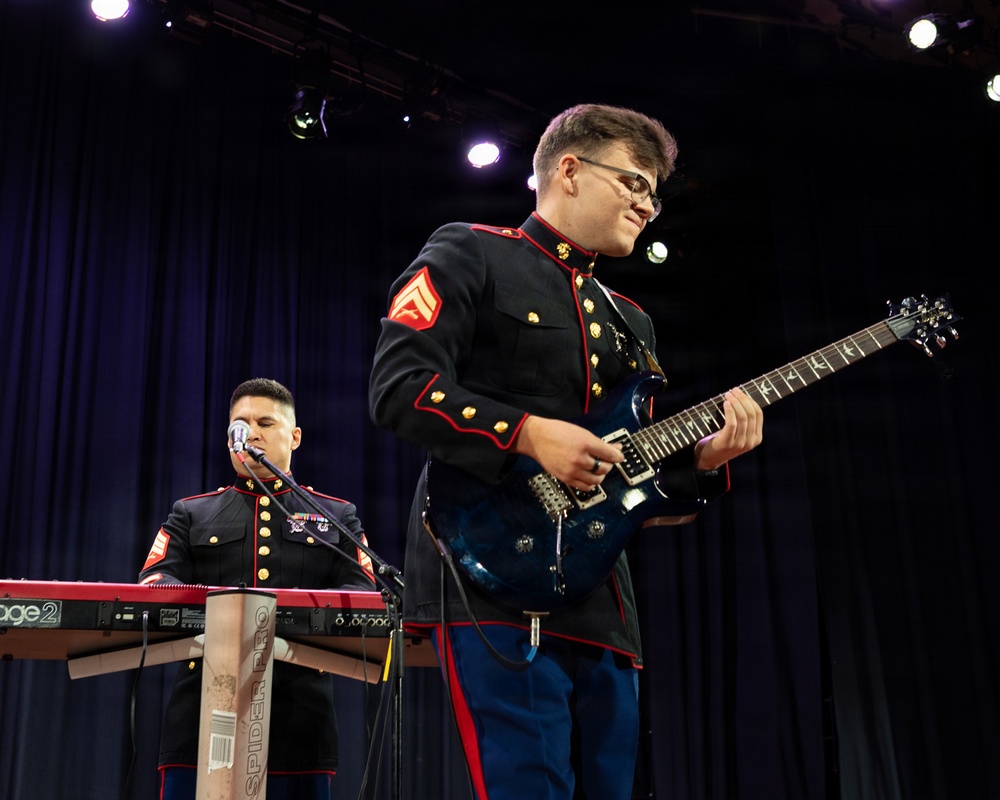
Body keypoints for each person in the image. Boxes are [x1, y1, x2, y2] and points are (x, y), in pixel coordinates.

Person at [368, 103, 764, 799]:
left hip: (603, 595)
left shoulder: (630, 318)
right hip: (487, 568)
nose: (649, 205)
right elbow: (398, 387)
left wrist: (699, 463)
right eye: (635, 183)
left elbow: (630, 475)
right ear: (570, 171)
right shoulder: (469, 250)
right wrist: (524, 432)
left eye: (655, 192)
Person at [138, 377, 376, 800]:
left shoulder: (336, 515)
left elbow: (362, 592)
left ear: (295, 437)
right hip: (201, 714)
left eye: (265, 422)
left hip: (299, 719)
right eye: (242, 423)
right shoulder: (192, 513)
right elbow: (156, 583)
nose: (251, 433)